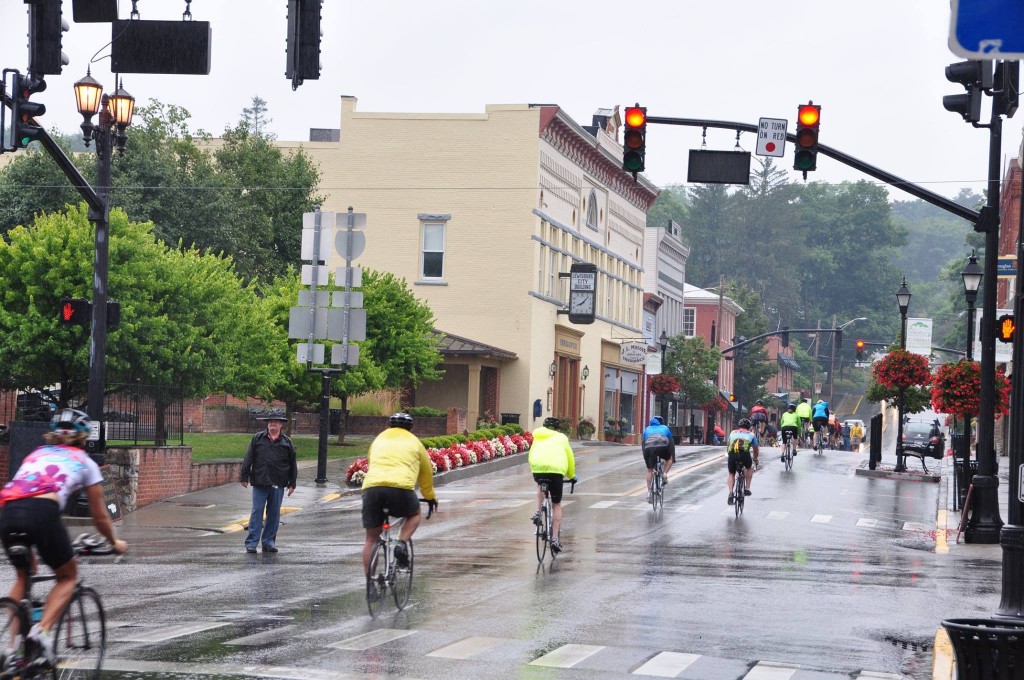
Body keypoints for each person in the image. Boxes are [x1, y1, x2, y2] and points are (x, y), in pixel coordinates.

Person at [0, 409, 127, 664]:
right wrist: (114, 542)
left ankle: (11, 649)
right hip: (42, 513)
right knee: (68, 576)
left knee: (24, 575)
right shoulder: (86, 463)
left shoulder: (37, 453)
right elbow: (100, 516)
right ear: (83, 438)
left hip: (7, 511)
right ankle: (41, 632)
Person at [361, 412, 437, 574]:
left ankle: (371, 584)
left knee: (371, 539)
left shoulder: (379, 439)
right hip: (400, 488)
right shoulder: (415, 443)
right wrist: (430, 497)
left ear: (388, 425)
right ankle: (401, 544)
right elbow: (426, 473)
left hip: (372, 488)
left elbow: (370, 461)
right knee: (415, 514)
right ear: (410, 428)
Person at [240, 409, 298, 554]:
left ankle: (268, 543)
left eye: (276, 422)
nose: (273, 425)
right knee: (257, 512)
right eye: (271, 422)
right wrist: (244, 476)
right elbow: (248, 457)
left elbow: (292, 464)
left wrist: (292, 483)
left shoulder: (287, 442)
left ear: (281, 425)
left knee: (273, 514)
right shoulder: (258, 439)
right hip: (260, 481)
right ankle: (252, 543)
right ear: (268, 424)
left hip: (278, 482)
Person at [529, 417, 576, 554]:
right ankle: (555, 538)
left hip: (539, 468)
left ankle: (538, 511)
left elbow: (531, 455)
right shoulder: (562, 438)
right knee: (556, 504)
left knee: (540, 485)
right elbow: (569, 458)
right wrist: (572, 476)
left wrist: (534, 470)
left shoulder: (537, 436)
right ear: (557, 428)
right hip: (556, 472)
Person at [641, 416, 675, 500]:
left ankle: (649, 492)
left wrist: (646, 457)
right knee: (669, 458)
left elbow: (643, 444)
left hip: (649, 449)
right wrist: (672, 457)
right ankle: (664, 474)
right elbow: (671, 443)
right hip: (663, 447)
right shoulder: (665, 428)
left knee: (650, 470)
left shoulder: (647, 429)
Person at [726, 418, 758, 505]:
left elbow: (728, 444)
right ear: (749, 427)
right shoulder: (751, 434)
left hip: (732, 454)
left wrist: (730, 455)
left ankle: (730, 493)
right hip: (744, 454)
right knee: (749, 467)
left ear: (738, 426)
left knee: (731, 473)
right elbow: (755, 449)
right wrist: (755, 459)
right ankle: (747, 488)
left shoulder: (733, 432)